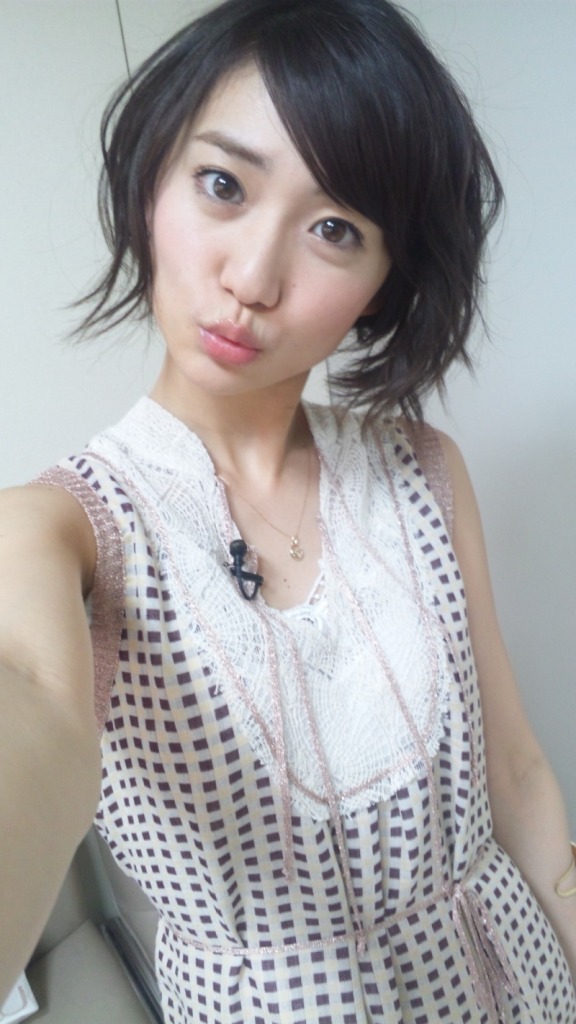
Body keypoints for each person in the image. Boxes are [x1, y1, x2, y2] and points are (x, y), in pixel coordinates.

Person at [1, 0, 575, 1020]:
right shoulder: (64, 530)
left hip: (519, 978)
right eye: (223, 184)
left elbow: (518, 772)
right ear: (153, 179)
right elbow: (31, 697)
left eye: (334, 229)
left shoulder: (423, 470)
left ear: (384, 282)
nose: (252, 278)